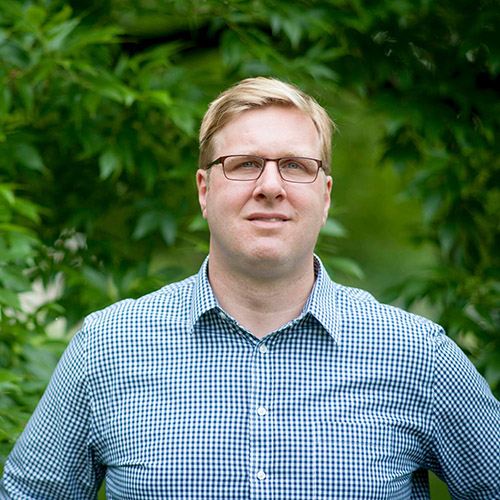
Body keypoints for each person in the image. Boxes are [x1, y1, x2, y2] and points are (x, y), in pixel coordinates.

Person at [1, 77, 499, 500]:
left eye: (296, 166)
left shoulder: (417, 356)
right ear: (203, 189)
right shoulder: (108, 347)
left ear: (325, 197)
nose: (270, 186)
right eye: (243, 164)